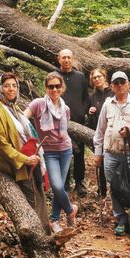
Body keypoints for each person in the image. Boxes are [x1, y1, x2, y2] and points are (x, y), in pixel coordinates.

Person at [0, 73, 50, 233]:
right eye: (7, 85)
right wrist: (25, 159)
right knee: (33, 201)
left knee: (40, 197)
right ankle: (40, 238)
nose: (11, 89)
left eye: (14, 85)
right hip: (20, 164)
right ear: (0, 88)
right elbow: (2, 145)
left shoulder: (12, 107)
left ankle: (46, 233)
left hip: (31, 159)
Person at [93, 71, 130, 239]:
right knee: (114, 187)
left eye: (123, 82)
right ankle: (121, 220)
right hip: (111, 153)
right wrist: (98, 153)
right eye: (116, 83)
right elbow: (100, 131)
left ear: (128, 84)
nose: (120, 85)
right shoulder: (108, 104)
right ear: (112, 86)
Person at [25, 72, 78, 233]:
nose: (54, 89)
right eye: (51, 86)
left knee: (59, 186)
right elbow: (21, 119)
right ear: (46, 88)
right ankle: (70, 210)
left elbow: (64, 129)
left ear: (62, 88)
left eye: (57, 86)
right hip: (48, 152)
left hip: (66, 150)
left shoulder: (65, 108)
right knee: (56, 185)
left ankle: (54, 220)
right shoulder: (38, 104)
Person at [57, 49, 91, 197]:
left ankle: (79, 182)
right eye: (63, 57)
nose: (66, 60)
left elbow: (86, 98)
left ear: (72, 59)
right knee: (62, 152)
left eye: (68, 57)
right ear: (59, 59)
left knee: (79, 154)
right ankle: (64, 182)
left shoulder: (80, 76)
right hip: (59, 121)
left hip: (78, 121)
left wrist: (82, 111)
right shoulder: (55, 76)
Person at [88, 68, 113, 197]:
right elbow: (87, 112)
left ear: (104, 77)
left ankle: (116, 189)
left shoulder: (112, 92)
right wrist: (90, 111)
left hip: (112, 132)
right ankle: (102, 190)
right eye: (94, 77)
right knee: (101, 161)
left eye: (99, 76)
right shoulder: (91, 96)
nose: (97, 79)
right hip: (97, 132)